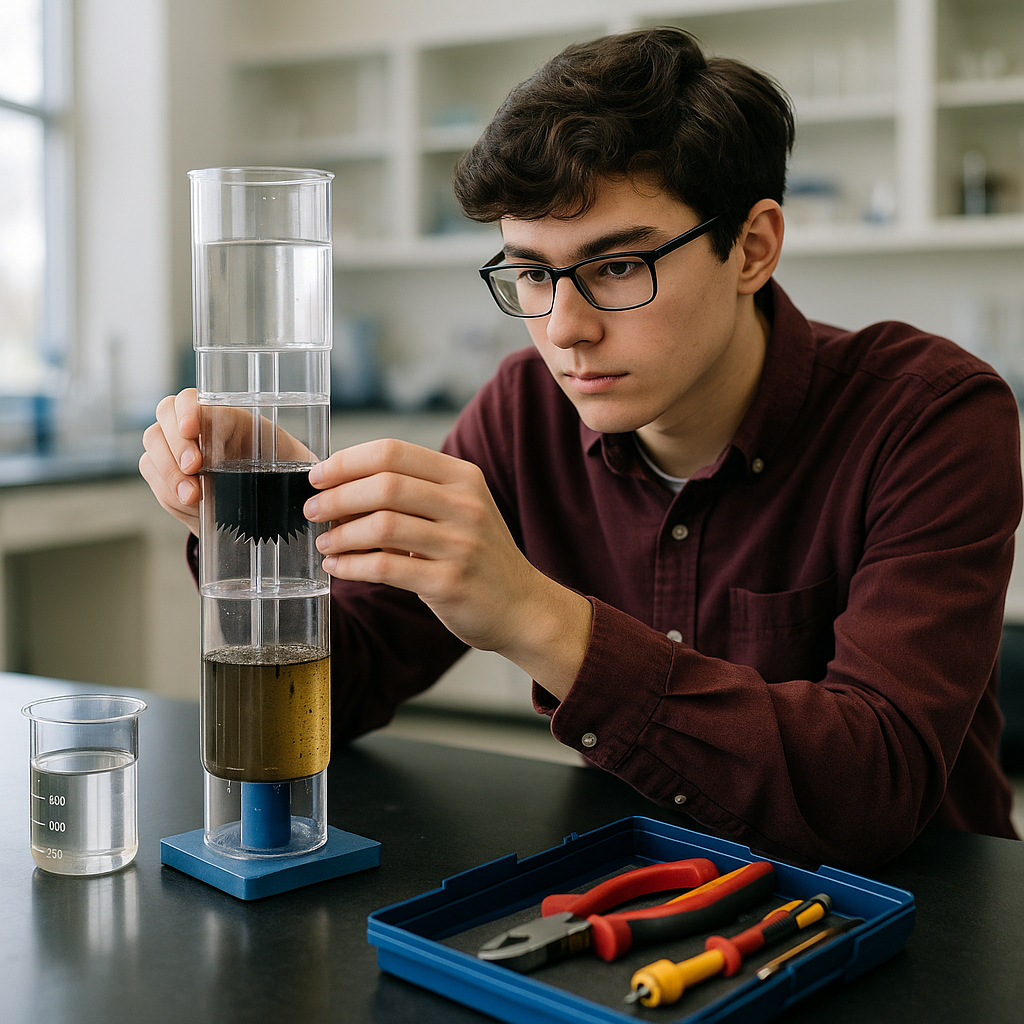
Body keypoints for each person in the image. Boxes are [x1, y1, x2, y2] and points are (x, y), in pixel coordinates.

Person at [141, 27, 1022, 870]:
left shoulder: (931, 418)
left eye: (615, 267)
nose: (563, 331)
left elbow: (874, 789)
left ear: (752, 248)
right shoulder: (523, 414)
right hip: (635, 907)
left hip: (926, 927)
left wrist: (536, 616)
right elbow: (344, 692)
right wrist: (263, 518)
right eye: (531, 272)